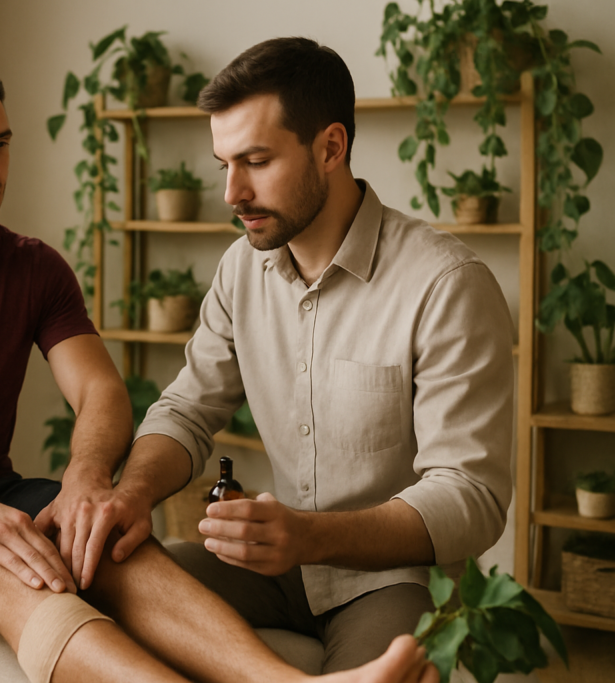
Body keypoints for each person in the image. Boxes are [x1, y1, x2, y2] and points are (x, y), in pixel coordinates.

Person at [0, 53, 437, 683]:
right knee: (23, 580)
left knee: (115, 549)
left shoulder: (33, 268)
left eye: (2, 143)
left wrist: (87, 480)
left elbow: (99, 389)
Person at [63, 36, 514, 675]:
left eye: (256, 161)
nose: (231, 192)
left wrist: (309, 536)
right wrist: (131, 492)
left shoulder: (446, 284)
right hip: (275, 573)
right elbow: (188, 408)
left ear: (331, 147)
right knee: (98, 572)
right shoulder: (241, 269)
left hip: (394, 579)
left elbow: (471, 495)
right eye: (224, 163)